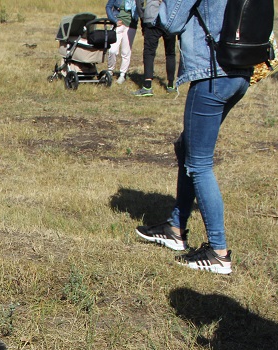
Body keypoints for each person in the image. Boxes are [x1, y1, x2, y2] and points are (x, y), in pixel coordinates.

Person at [135, 0, 252, 274]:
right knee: (186, 147)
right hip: (240, 71)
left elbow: (168, 21)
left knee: (199, 164)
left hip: (211, 73)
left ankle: (218, 252)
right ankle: (175, 228)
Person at [132, 0, 178, 97]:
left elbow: (139, 2)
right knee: (170, 53)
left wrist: (142, 17)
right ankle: (170, 85)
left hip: (152, 17)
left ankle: (147, 86)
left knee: (149, 52)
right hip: (169, 17)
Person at [106, 0, 140, 84]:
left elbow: (141, 9)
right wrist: (114, 20)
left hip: (131, 25)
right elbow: (108, 6)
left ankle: (122, 74)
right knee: (112, 50)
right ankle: (110, 70)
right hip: (118, 24)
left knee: (126, 52)